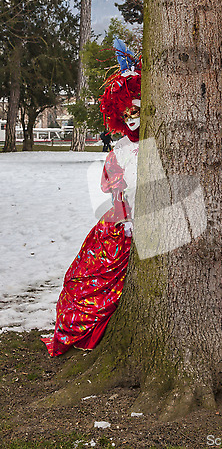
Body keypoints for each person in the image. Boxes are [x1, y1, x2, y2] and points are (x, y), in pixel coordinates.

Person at [42, 40, 142, 357]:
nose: (131, 117)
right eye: (125, 112)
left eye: (136, 109)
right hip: (120, 225)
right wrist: (126, 219)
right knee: (87, 278)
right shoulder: (120, 150)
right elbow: (116, 190)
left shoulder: (157, 145)